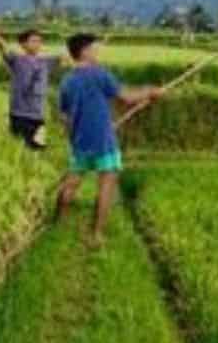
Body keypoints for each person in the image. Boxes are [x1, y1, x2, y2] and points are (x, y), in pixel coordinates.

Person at [56, 32, 164, 248]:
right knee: (107, 183)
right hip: (104, 141)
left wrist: (77, 133)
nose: (98, 51)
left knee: (72, 182)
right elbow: (126, 97)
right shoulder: (100, 74)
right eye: (95, 48)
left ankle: (60, 221)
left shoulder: (67, 81)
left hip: (80, 141)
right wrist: (150, 91)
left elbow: (65, 115)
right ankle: (96, 234)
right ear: (85, 51)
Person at [0, 16, 62, 150]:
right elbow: (0, 42)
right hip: (18, 114)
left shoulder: (47, 62)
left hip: (38, 116)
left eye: (39, 41)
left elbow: (71, 58)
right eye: (33, 41)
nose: (37, 44)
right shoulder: (16, 59)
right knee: (17, 148)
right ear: (23, 44)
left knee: (39, 149)